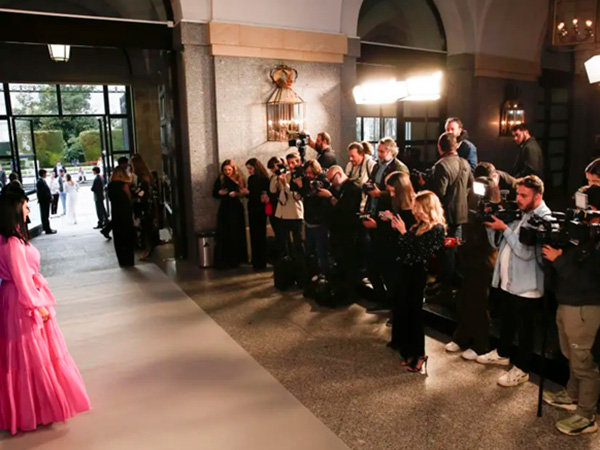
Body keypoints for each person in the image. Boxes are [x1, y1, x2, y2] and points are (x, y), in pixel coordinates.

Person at [0, 191, 91, 434]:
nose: (28, 211)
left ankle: (33, 408)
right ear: (16, 210)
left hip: (17, 299)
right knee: (30, 354)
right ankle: (38, 408)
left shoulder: (10, 239)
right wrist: (37, 306)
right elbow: (20, 278)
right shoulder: (12, 243)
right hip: (22, 302)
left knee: (26, 355)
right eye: (26, 206)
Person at [477, 175, 551, 387]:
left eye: (523, 195)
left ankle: (522, 369)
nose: (518, 199)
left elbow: (525, 252)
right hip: (509, 282)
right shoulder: (521, 213)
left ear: (538, 196)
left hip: (527, 286)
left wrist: (504, 229)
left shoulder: (543, 218)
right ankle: (502, 353)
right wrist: (492, 226)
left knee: (525, 331)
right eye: (518, 193)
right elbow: (499, 244)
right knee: (507, 323)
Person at [541, 185, 600, 436]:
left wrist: (559, 259)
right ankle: (572, 394)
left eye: (586, 207)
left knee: (584, 363)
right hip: (566, 302)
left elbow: (589, 279)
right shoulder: (582, 233)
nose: (580, 212)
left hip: (585, 307)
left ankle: (586, 415)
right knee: (569, 354)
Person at [389, 191, 446, 373]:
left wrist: (404, 232)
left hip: (418, 275)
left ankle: (420, 354)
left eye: (419, 208)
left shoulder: (436, 229)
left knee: (415, 315)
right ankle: (409, 352)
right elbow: (404, 248)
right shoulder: (418, 225)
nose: (416, 212)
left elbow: (418, 253)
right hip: (405, 272)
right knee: (404, 312)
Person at [445, 176, 499, 360]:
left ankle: (480, 344)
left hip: (483, 261)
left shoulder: (493, 210)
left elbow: (490, 241)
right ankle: (462, 337)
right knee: (463, 300)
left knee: (478, 303)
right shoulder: (473, 205)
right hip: (469, 258)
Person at [425, 132, 472, 300]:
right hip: (461, 213)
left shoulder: (441, 165)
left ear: (440, 147)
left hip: (445, 214)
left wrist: (426, 184)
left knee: (445, 251)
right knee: (450, 249)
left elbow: (439, 193)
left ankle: (445, 289)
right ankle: (445, 283)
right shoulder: (465, 163)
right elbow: (470, 186)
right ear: (456, 146)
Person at [382, 171, 417, 352]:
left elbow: (414, 242)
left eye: (394, 192)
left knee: (404, 301)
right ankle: (397, 338)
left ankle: (405, 341)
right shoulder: (399, 207)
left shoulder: (413, 211)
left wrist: (400, 230)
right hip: (394, 257)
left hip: (405, 261)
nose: (391, 195)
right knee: (396, 299)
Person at [323, 165, 363, 303]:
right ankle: (339, 289)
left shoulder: (353, 188)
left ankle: (349, 293)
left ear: (339, 174)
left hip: (348, 231)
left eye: (332, 180)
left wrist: (331, 198)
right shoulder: (334, 188)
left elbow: (346, 209)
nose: (331, 184)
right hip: (335, 230)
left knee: (348, 262)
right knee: (338, 261)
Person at [212, 159, 248, 269]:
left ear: (233, 169)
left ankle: (236, 259)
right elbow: (214, 193)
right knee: (224, 231)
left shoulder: (238, 178)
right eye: (225, 170)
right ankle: (224, 258)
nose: (227, 172)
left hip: (236, 207)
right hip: (225, 207)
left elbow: (243, 192)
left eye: (229, 169)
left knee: (235, 231)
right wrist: (220, 192)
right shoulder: (221, 179)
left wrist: (237, 193)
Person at [270, 152, 305, 264]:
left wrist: (285, 184)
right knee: (283, 241)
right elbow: (272, 190)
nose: (290, 166)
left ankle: (299, 265)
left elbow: (296, 196)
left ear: (298, 163)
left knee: (297, 242)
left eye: (292, 163)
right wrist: (276, 176)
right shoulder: (286, 174)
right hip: (283, 213)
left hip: (294, 212)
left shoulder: (299, 176)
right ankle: (286, 265)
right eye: (288, 163)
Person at [131, 154, 158, 261]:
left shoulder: (143, 179)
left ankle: (147, 249)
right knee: (149, 228)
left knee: (146, 229)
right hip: (149, 206)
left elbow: (142, 193)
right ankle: (150, 248)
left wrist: (134, 193)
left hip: (145, 207)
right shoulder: (148, 176)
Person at [245, 158, 270, 270]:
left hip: (257, 209)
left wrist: (248, 193)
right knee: (257, 235)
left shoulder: (257, 179)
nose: (249, 171)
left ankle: (258, 261)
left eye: (250, 168)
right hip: (258, 209)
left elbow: (257, 196)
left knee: (257, 235)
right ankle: (259, 261)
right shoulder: (263, 179)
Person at [107, 167, 135, 267]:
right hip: (125, 214)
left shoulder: (110, 186)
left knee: (118, 237)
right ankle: (129, 260)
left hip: (116, 213)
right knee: (127, 237)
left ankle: (121, 260)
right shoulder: (125, 186)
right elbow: (129, 199)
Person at [345, 141, 376, 213]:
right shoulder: (350, 165)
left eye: (353, 156)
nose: (350, 159)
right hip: (352, 203)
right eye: (349, 156)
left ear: (361, 154)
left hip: (365, 205)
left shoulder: (370, 164)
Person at [35, 169, 56, 235]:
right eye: (45, 173)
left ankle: (47, 227)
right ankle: (47, 229)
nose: (46, 175)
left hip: (45, 201)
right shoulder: (40, 182)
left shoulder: (41, 181)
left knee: (46, 215)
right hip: (44, 201)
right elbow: (43, 192)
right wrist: (49, 197)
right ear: (43, 174)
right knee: (45, 215)